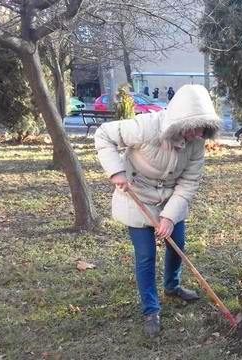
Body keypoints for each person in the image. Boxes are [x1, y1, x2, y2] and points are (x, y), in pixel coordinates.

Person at [94, 84, 221, 338]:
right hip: (137, 195)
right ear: (181, 121)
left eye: (203, 128)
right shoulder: (147, 127)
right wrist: (116, 171)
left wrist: (169, 217)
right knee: (146, 255)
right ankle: (151, 309)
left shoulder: (196, 143)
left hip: (170, 198)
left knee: (178, 244)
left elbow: (189, 183)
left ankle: (172, 287)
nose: (198, 134)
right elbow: (104, 134)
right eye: (195, 127)